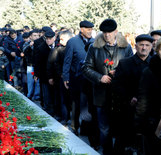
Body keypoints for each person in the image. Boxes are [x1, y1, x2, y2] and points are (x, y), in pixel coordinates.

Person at [82, 18, 133, 155]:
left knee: (119, 127)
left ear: (116, 31)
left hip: (119, 95)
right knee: (104, 128)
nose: (107, 35)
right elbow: (86, 68)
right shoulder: (94, 47)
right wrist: (100, 77)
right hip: (101, 94)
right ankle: (107, 151)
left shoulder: (126, 47)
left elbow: (132, 69)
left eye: (110, 32)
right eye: (104, 32)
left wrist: (119, 72)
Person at [111, 34, 153, 154]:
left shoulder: (155, 64)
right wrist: (129, 98)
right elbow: (116, 85)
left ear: (151, 47)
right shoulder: (125, 63)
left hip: (148, 111)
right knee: (124, 143)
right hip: (128, 111)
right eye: (141, 45)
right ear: (136, 46)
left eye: (147, 45)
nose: (144, 48)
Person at [62, 20, 95, 135]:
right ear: (81, 29)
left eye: (91, 29)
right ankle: (75, 126)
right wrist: (65, 77)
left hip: (90, 80)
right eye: (88, 29)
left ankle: (85, 129)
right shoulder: (72, 42)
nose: (90, 32)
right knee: (76, 103)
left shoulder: (94, 42)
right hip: (75, 78)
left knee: (87, 105)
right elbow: (67, 61)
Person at [47, 30, 73, 124]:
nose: (60, 41)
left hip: (73, 77)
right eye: (60, 39)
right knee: (62, 99)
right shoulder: (58, 49)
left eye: (63, 39)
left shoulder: (74, 47)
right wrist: (61, 73)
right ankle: (64, 117)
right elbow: (55, 63)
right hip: (62, 78)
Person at [34, 30, 56, 116]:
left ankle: (54, 109)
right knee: (46, 93)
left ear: (54, 38)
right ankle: (48, 109)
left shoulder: (58, 45)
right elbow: (37, 62)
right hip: (44, 74)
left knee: (54, 93)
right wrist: (36, 74)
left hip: (55, 74)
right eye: (46, 39)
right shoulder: (41, 48)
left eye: (50, 39)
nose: (48, 40)